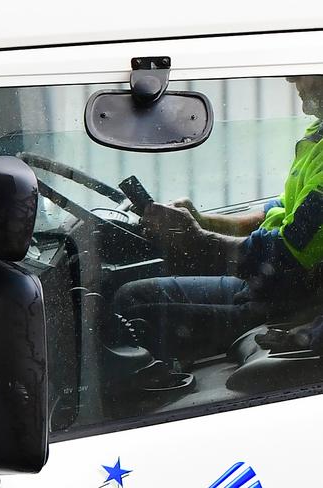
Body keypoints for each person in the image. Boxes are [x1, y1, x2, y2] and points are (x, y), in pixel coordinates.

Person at [113, 75, 323, 364]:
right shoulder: (317, 135)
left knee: (134, 311)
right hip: (263, 288)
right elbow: (278, 212)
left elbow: (284, 261)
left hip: (288, 301)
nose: (289, 77)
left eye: (305, 67)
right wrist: (202, 220)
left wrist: (197, 239)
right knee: (130, 294)